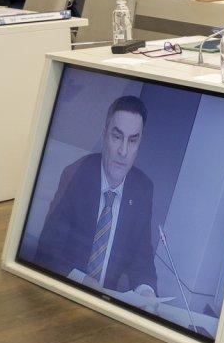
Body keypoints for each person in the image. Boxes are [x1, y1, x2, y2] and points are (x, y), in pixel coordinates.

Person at [35, 96, 158, 301]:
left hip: (107, 304)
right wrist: (83, 282)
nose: (123, 151)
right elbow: (47, 250)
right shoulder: (76, 174)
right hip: (65, 293)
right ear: (104, 134)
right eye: (117, 137)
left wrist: (147, 292)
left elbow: (142, 260)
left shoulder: (143, 189)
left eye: (132, 140)